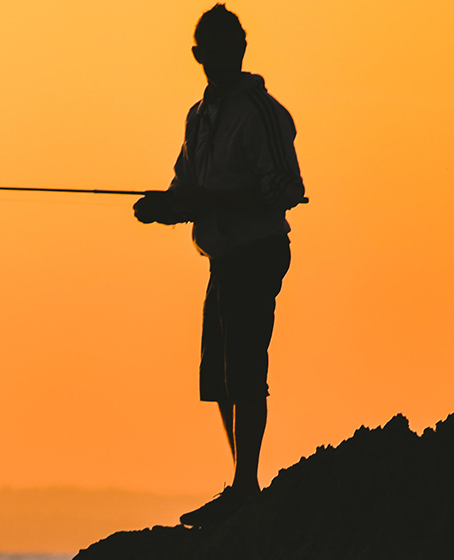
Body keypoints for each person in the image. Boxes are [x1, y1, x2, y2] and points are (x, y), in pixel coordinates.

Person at [133, 3, 304, 528]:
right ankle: (241, 484)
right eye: (212, 50)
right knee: (221, 377)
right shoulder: (198, 117)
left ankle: (245, 487)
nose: (221, 58)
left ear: (242, 51)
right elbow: (188, 186)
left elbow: (289, 190)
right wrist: (165, 208)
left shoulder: (263, 113)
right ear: (198, 55)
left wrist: (208, 202)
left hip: (257, 252)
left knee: (246, 369)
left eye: (230, 48)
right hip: (222, 257)